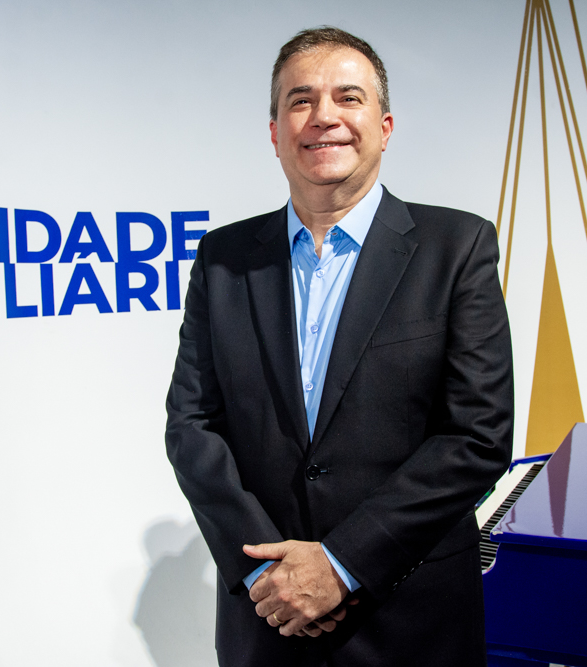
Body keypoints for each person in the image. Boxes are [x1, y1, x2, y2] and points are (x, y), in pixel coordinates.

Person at [165, 26, 513, 667]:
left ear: (384, 126)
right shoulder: (223, 258)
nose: (324, 116)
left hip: (411, 623)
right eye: (300, 100)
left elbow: (478, 436)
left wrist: (341, 563)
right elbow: (192, 426)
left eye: (348, 98)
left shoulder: (457, 248)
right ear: (275, 133)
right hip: (266, 622)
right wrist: (268, 574)